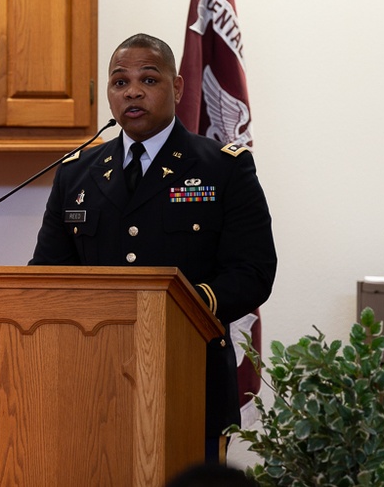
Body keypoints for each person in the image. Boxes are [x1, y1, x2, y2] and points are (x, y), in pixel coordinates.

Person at [30, 32, 277, 463]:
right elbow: (49, 271)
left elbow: (253, 271)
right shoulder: (76, 173)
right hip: (92, 377)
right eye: (120, 82)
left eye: (149, 79)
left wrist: (186, 304)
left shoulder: (222, 167)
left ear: (177, 87)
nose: (133, 92)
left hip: (188, 375)